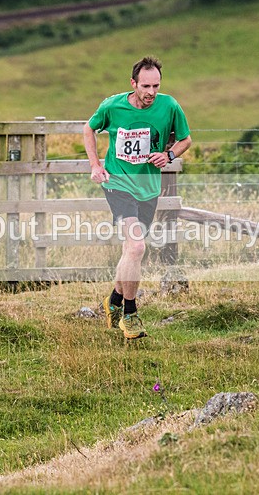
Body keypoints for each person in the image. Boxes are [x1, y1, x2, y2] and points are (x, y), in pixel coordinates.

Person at [84, 56, 193, 339]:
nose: (151, 92)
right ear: (133, 84)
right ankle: (130, 314)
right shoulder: (112, 106)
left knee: (131, 251)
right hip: (117, 183)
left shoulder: (169, 106)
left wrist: (168, 155)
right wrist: (96, 165)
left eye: (156, 85)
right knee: (136, 247)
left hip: (148, 188)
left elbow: (186, 140)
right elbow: (89, 128)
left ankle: (114, 302)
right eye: (146, 86)